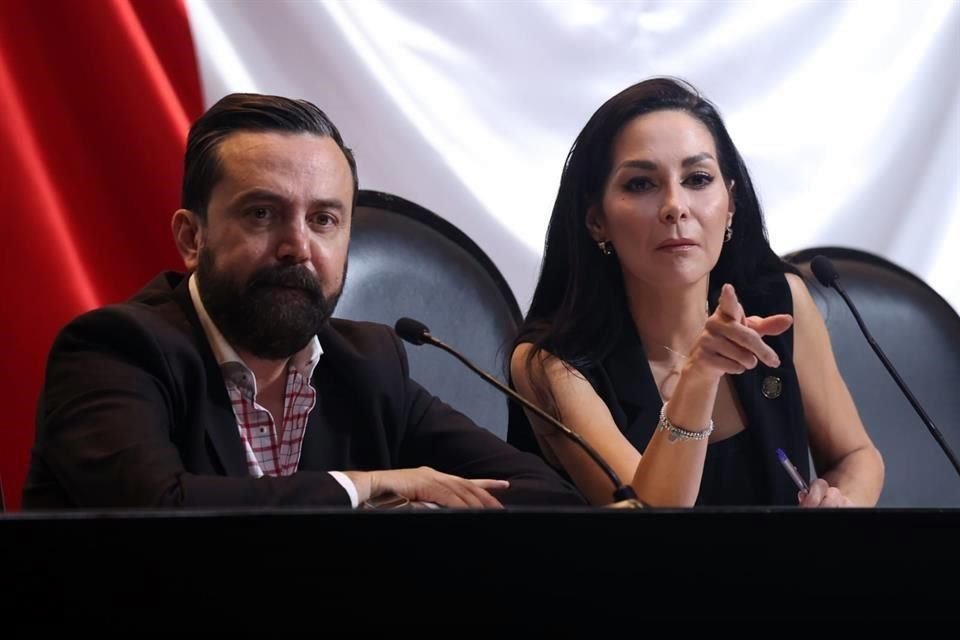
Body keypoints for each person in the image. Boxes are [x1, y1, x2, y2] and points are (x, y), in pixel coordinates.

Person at [23, 93, 584, 510]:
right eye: (262, 213)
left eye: (323, 219)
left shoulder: (367, 365)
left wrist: (420, 514)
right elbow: (159, 511)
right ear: (192, 239)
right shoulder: (115, 351)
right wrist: (363, 486)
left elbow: (544, 496)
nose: (298, 247)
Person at [507, 77, 884, 507]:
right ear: (596, 221)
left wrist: (841, 505)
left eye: (698, 178)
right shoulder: (552, 364)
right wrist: (699, 377)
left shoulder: (779, 304)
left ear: (732, 205)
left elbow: (857, 456)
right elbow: (653, 519)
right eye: (640, 184)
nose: (675, 205)